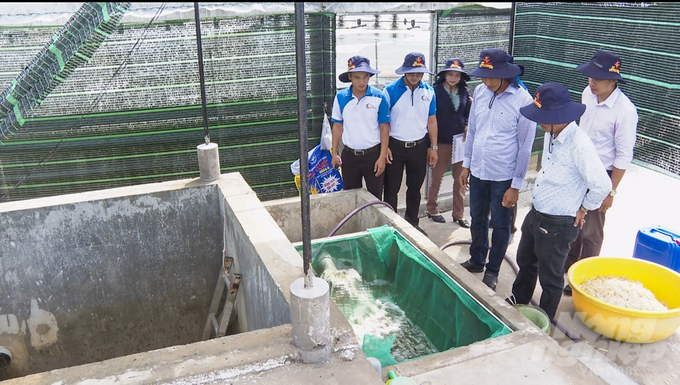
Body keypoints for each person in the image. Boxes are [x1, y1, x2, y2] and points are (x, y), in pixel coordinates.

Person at [510, 82, 612, 320]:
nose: (539, 122)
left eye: (543, 117)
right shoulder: (552, 133)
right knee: (526, 260)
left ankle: (543, 319)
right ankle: (518, 300)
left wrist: (584, 207)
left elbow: (602, 185)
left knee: (551, 277)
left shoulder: (579, 145)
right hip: (537, 214)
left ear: (558, 116)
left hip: (558, 224)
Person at [458, 48, 535, 291]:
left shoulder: (523, 100)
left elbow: (525, 146)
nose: (487, 81)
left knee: (501, 225)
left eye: (492, 77)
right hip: (479, 170)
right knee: (477, 218)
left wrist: (516, 185)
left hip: (503, 175)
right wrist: (466, 164)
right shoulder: (480, 92)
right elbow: (473, 130)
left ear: (507, 75)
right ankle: (477, 259)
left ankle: (493, 270)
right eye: (484, 75)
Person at [563, 50, 638, 295]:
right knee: (573, 220)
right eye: (590, 77)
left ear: (613, 81)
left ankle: (584, 279)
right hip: (578, 168)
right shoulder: (588, 94)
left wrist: (611, 191)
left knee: (591, 231)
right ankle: (570, 264)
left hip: (602, 174)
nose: (591, 82)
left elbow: (623, 156)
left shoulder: (625, 111)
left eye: (598, 78)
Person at [383, 52, 438, 234]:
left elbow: (431, 120)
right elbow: (384, 121)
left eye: (419, 73)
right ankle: (392, 225)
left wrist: (433, 147)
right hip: (395, 147)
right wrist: (386, 147)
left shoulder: (429, 91)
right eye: (411, 73)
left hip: (419, 146)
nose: (415, 77)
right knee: (391, 189)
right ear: (404, 72)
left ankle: (412, 223)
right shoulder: (390, 90)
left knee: (415, 189)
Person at [330, 56, 390, 200]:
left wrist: (382, 157)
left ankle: (375, 224)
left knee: (375, 198)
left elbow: (384, 128)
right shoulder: (340, 97)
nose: (361, 82)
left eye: (365, 77)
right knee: (350, 197)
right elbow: (337, 126)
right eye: (357, 77)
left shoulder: (379, 96)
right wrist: (334, 154)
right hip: (349, 156)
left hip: (373, 155)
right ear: (350, 76)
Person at [426, 58, 472, 228]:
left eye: (457, 75)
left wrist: (467, 125)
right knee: (437, 176)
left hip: (460, 141)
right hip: (441, 140)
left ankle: (459, 214)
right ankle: (432, 208)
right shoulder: (434, 91)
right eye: (450, 74)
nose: (453, 78)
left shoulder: (465, 91)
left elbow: (467, 112)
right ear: (444, 75)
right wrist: (432, 145)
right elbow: (430, 117)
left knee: (460, 178)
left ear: (461, 77)